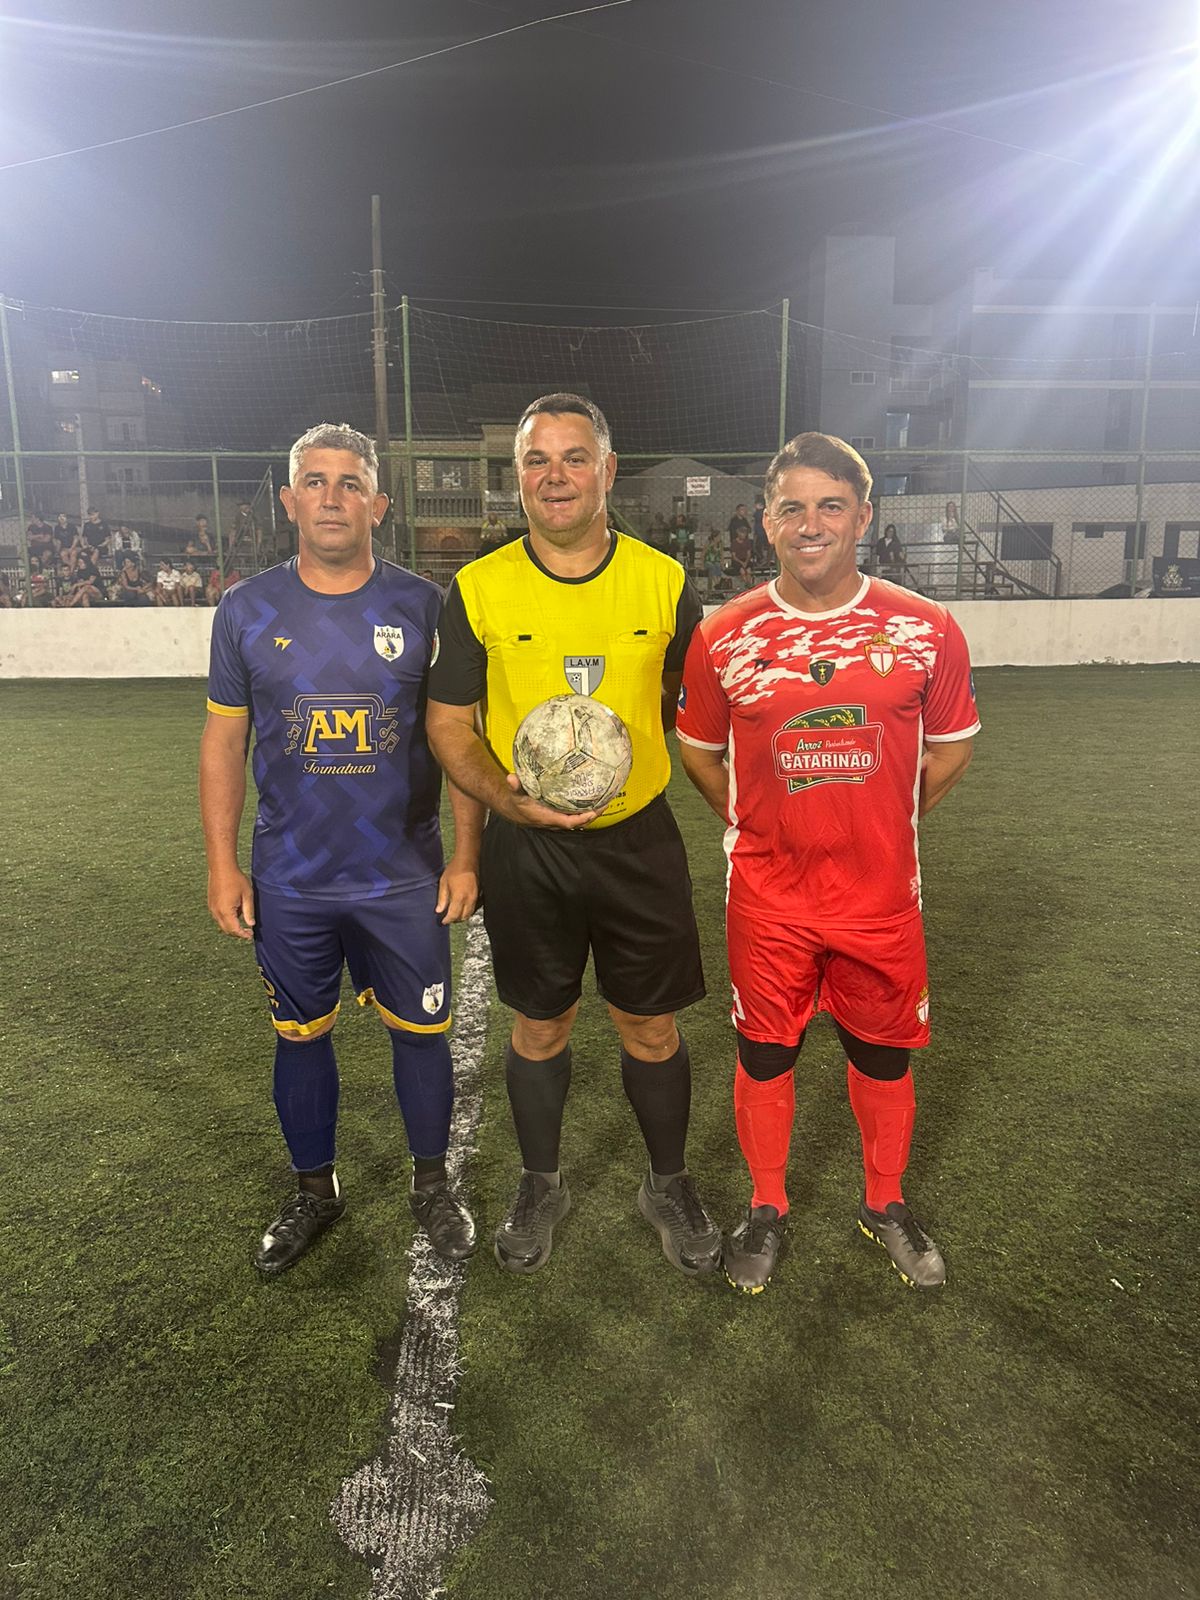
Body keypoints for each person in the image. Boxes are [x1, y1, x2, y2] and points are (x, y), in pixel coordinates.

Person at [426, 392, 721, 1280]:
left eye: (573, 457)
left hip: (637, 843)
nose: (555, 476)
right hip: (529, 847)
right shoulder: (478, 588)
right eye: (536, 460)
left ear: (607, 470)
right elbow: (449, 726)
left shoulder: (664, 581)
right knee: (540, 1024)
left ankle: (667, 1184)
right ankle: (540, 1183)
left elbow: (693, 710)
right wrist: (506, 806)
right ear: (517, 476)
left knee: (651, 1026)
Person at [677, 432, 979, 1295]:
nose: (811, 524)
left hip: (879, 899)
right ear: (767, 521)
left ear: (863, 517)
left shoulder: (925, 628)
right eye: (793, 508)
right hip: (769, 898)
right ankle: (766, 1205)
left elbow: (952, 746)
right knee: (765, 1055)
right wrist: (753, 824)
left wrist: (885, 821)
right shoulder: (724, 634)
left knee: (883, 1057)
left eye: (831, 506)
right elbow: (698, 750)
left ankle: (884, 1203)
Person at [200, 422, 483, 1277]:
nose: (333, 497)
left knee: (422, 1034)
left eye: (350, 482)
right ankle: (313, 1191)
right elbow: (223, 742)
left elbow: (458, 737)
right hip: (293, 876)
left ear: (378, 505)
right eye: (316, 482)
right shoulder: (245, 610)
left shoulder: (425, 608)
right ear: (290, 502)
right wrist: (223, 863)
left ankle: (431, 1184)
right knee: (299, 1035)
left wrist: (466, 856)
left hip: (402, 875)